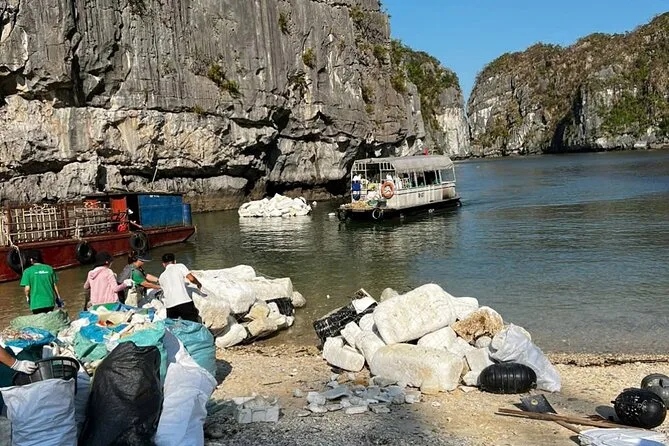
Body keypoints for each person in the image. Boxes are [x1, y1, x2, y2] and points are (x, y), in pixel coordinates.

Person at [159, 253, 202, 322]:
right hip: (184, 302)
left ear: (163, 264)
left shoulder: (161, 276)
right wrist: (198, 283)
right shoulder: (180, 266)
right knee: (192, 324)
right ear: (175, 261)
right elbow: (191, 279)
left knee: (174, 327)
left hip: (170, 306)